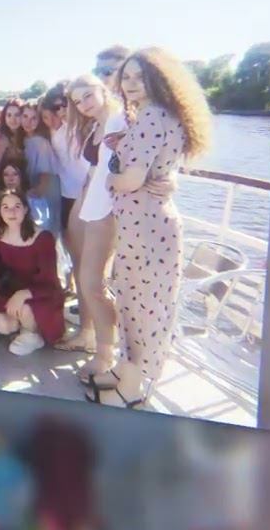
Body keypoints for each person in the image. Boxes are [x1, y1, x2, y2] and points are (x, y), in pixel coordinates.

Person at [86, 48, 211, 408]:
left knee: (143, 310)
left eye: (140, 77)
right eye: (126, 77)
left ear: (159, 80)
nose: (131, 84)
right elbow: (157, 164)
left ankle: (133, 387)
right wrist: (123, 145)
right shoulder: (154, 115)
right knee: (131, 302)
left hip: (146, 229)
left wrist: (111, 179)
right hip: (144, 227)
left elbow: (130, 180)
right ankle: (124, 371)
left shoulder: (153, 115)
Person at [67, 73, 127, 375]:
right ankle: (88, 334)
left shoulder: (121, 121)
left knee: (94, 282)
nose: (84, 104)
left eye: (88, 95)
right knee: (82, 273)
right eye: (78, 101)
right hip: (89, 202)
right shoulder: (95, 126)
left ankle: (106, 355)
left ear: (103, 90)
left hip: (107, 208)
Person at [40, 82, 96, 352]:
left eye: (66, 106)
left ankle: (89, 331)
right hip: (66, 196)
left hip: (86, 197)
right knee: (74, 256)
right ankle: (87, 323)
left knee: (87, 264)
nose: (62, 112)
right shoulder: (55, 129)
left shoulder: (84, 127)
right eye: (57, 108)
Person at [0, 188, 66, 356]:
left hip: (40, 293)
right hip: (12, 291)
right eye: (6, 207)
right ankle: (19, 327)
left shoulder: (43, 238)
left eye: (17, 206)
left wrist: (24, 294)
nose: (12, 212)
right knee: (2, 324)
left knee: (25, 309)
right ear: (0, 211)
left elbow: (49, 283)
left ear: (25, 209)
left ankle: (33, 333)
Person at [21, 100, 60, 235]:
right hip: (33, 189)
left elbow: (45, 175)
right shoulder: (22, 140)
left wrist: (35, 194)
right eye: (25, 116)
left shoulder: (40, 142)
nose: (28, 122)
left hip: (43, 191)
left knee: (45, 229)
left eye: (33, 118)